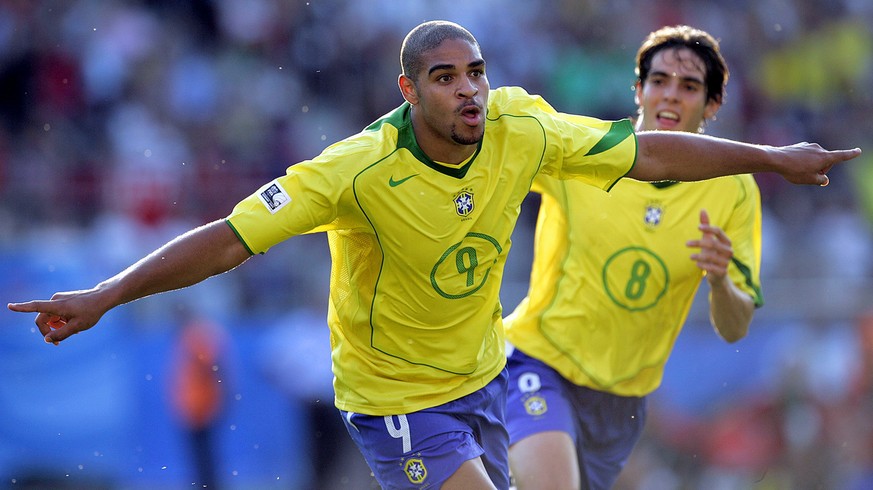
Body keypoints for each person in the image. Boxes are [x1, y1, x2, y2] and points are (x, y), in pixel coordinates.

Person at [6, 20, 860, 490]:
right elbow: (228, 240)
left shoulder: (522, 128)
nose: (470, 90)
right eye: (447, 77)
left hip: (484, 374)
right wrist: (109, 294)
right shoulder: (352, 172)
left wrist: (772, 159)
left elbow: (653, 155)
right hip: (400, 399)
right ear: (409, 90)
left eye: (477, 72)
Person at [503, 25, 768, 490]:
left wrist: (721, 280)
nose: (670, 96)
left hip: (622, 400)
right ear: (639, 90)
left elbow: (735, 326)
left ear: (712, 106)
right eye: (659, 80)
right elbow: (504, 146)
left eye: (688, 87)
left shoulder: (735, 189)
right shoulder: (586, 147)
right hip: (538, 362)